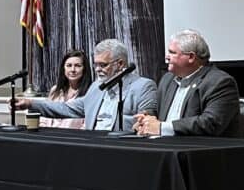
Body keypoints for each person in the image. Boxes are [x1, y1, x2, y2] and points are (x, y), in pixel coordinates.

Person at [18, 39, 157, 131]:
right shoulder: (96, 87)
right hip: (92, 145)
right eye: (96, 65)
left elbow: (146, 124)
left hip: (122, 148)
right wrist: (30, 103)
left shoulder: (143, 87)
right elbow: (67, 108)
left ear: (120, 64)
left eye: (103, 65)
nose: (97, 69)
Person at [133, 30, 240, 137]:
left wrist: (161, 128)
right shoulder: (167, 79)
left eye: (172, 53)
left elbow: (210, 123)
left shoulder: (219, 82)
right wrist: (146, 118)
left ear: (191, 57)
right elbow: (157, 111)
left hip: (198, 145)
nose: (167, 57)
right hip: (163, 144)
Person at [38, 49, 91, 129]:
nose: (73, 70)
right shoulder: (55, 90)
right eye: (69, 65)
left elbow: (87, 125)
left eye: (77, 66)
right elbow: (44, 119)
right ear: (63, 68)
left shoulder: (90, 93)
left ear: (84, 69)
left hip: (71, 136)